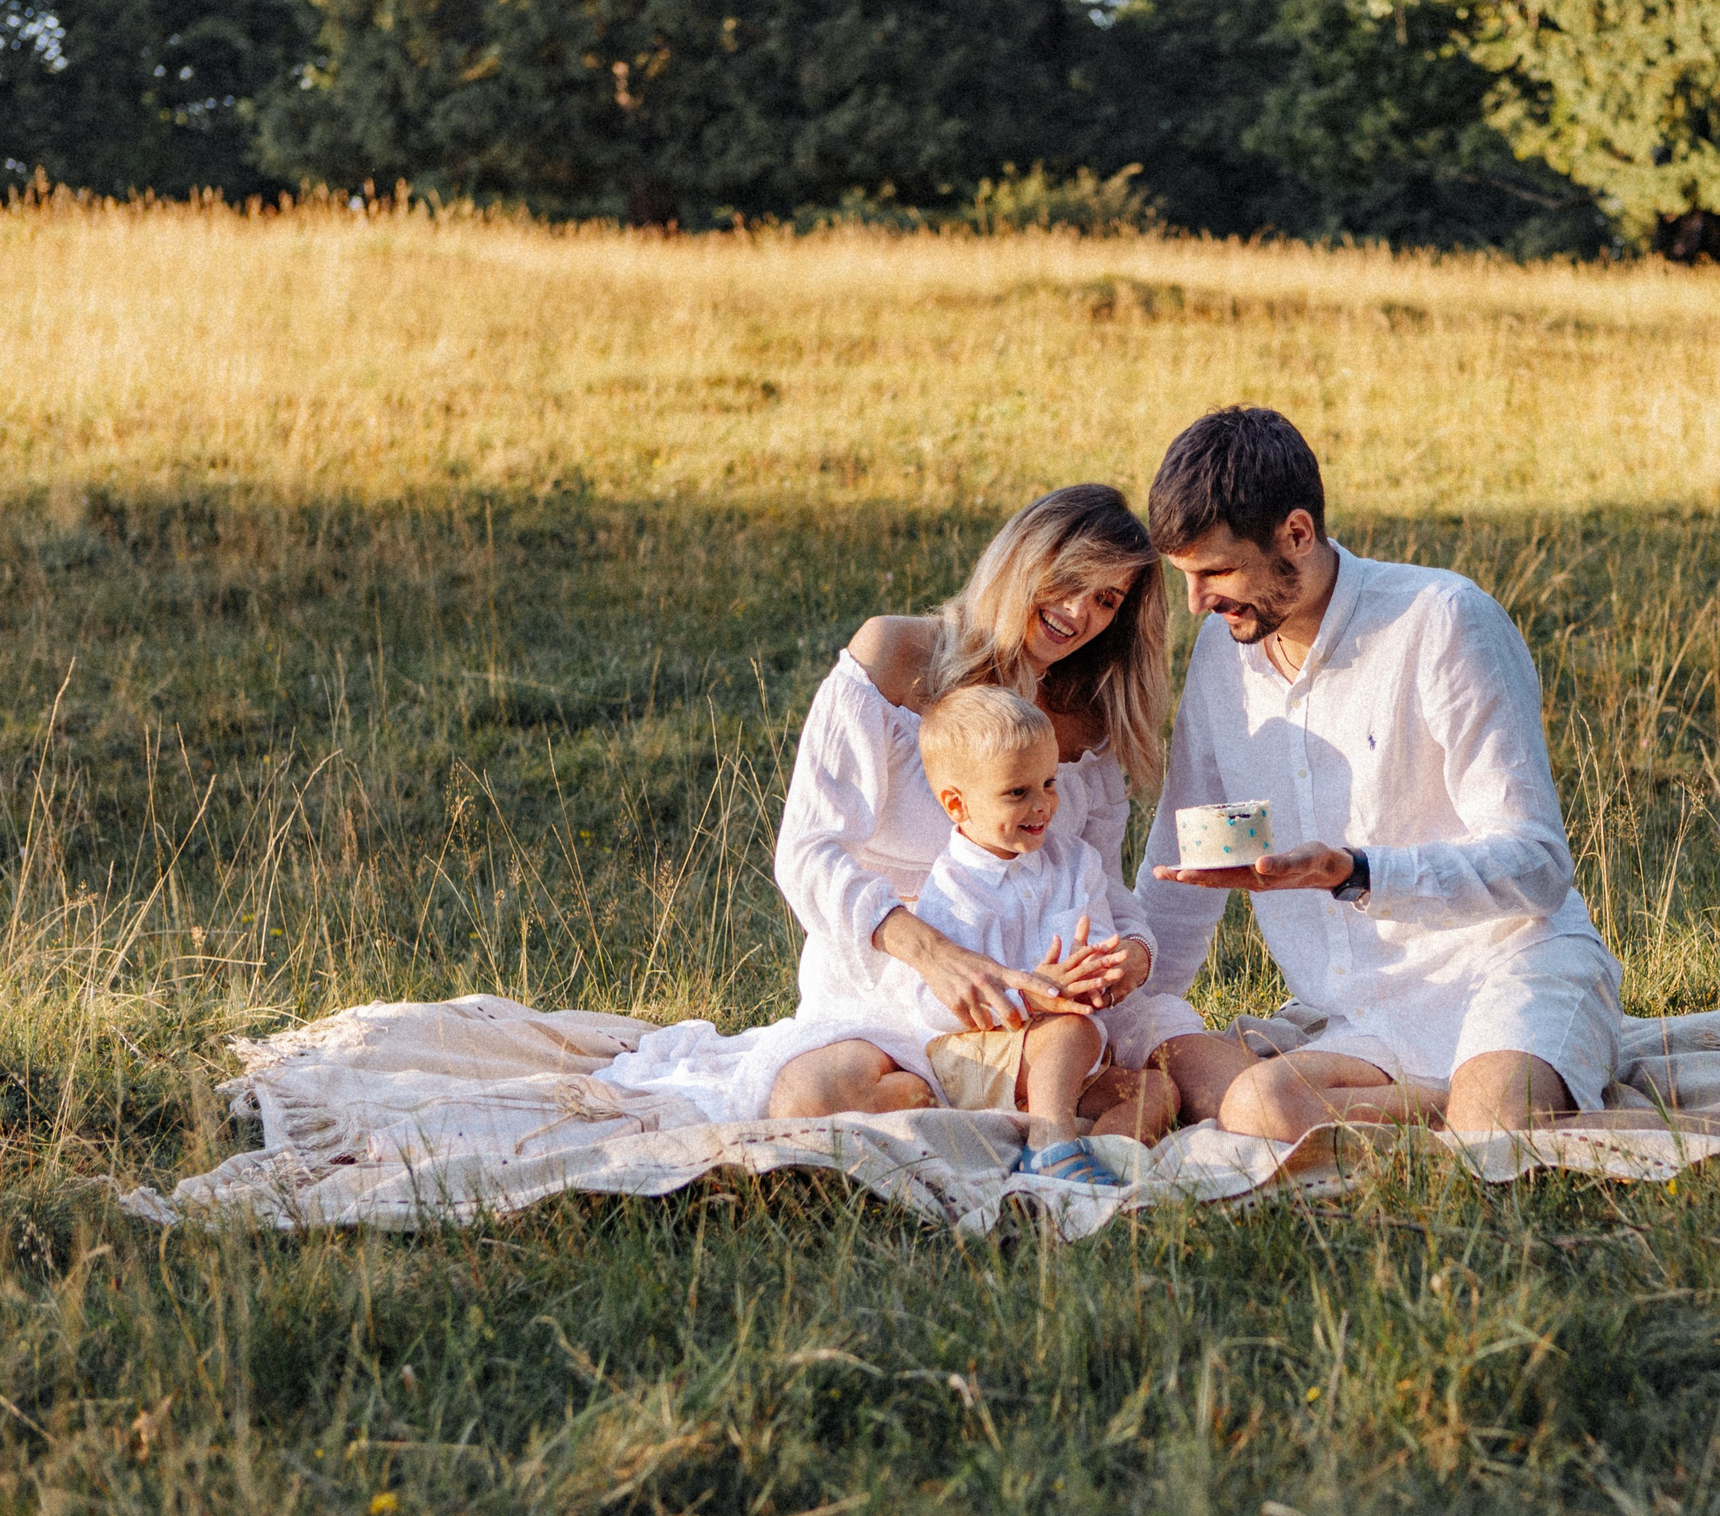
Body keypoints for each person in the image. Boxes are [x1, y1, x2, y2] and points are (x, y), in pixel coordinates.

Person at [598, 484, 1212, 1139]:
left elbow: (1105, 887)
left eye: (1105, 599)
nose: (1076, 611)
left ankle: (1027, 1124)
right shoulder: (895, 655)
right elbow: (805, 853)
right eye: (1068, 580)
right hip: (890, 989)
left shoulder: (1088, 717)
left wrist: (1130, 957)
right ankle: (972, 1109)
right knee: (808, 1100)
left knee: (1146, 1082)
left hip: (1028, 1006)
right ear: (1021, 559)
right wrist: (933, 952)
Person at [1137, 406, 1629, 1139]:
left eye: (1216, 571)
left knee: (1494, 1122)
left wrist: (1357, 871)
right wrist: (1130, 1004)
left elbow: (1539, 864)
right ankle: (1445, 1109)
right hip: (1368, 1021)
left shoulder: (1444, 620)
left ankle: (1486, 1102)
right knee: (1252, 1103)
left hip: (1511, 967)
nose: (1197, 601)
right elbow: (1180, 872)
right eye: (1186, 575)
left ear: (1296, 535)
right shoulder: (1220, 656)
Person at [876, 686, 1131, 1182]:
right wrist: (1032, 993)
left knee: (1156, 1093)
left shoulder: (1075, 861)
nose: (1043, 806)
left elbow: (1098, 937)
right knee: (1071, 1031)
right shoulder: (952, 889)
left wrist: (1096, 972)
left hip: (1061, 1058)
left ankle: (1095, 1160)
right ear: (957, 804)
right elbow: (934, 1006)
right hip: (978, 1056)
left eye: (1050, 783)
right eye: (1018, 792)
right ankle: (1052, 1140)